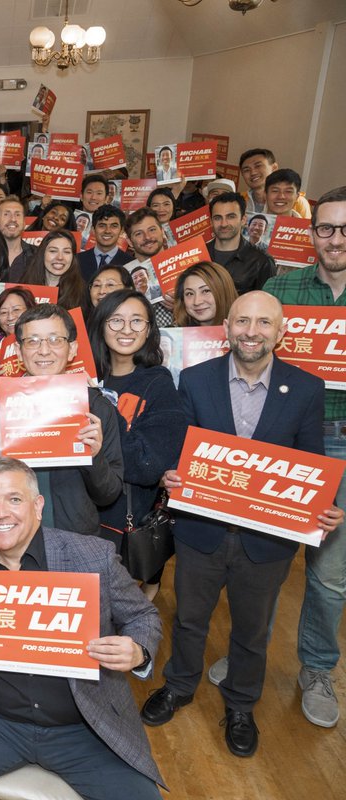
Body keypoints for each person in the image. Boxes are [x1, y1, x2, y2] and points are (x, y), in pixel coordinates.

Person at [141, 291, 341, 757]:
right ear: (227, 327)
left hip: (267, 542)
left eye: (264, 323)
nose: (252, 331)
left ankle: (241, 705)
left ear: (281, 332)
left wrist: (325, 504)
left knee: (251, 632)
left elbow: (312, 463)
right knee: (189, 620)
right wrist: (172, 472)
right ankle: (180, 686)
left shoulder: (307, 387)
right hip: (201, 532)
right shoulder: (193, 379)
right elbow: (183, 448)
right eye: (243, 322)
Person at [0, 457, 164, 800]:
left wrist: (137, 650)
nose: (1, 513)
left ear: (37, 505)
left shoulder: (91, 557)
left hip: (81, 724)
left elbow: (144, 617)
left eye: (14, 499)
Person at [260, 185, 346, 728]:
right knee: (263, 558)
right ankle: (249, 651)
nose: (335, 240)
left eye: (345, 230)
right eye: (326, 228)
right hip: (287, 433)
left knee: (330, 571)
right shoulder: (283, 286)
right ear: (311, 231)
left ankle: (316, 667)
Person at [0, 303, 124, 544]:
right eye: (33, 341)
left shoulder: (96, 408)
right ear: (18, 351)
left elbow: (109, 494)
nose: (44, 350)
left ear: (72, 349)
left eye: (54, 340)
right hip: (2, 540)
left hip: (71, 541)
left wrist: (94, 456)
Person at [88, 290, 186, 596]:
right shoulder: (79, 376)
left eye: (136, 321)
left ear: (149, 329)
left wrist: (99, 403)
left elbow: (147, 465)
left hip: (120, 526)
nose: (126, 329)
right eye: (116, 320)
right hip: (74, 518)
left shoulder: (158, 383)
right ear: (101, 325)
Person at [208, 193, 276, 294]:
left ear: (243, 220)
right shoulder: (197, 255)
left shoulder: (262, 262)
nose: (224, 224)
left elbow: (267, 304)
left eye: (231, 217)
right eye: (218, 218)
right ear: (211, 221)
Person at [20, 230, 88, 313]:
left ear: (73, 258)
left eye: (66, 252)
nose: (60, 257)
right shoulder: (25, 286)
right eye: (53, 251)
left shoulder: (82, 292)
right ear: (42, 254)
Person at [239, 148, 312, 217]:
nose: (253, 173)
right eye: (246, 170)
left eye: (258, 166)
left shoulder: (298, 203)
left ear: (274, 168)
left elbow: (305, 228)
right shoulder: (239, 200)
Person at [173, 261, 238, 327]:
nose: (197, 302)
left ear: (224, 292)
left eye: (206, 291)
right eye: (190, 294)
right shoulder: (172, 334)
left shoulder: (244, 332)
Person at [78, 205, 134, 282]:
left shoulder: (131, 263)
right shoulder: (77, 260)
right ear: (93, 230)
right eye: (102, 226)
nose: (107, 231)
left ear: (121, 230)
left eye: (114, 226)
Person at [0, 198, 36, 282]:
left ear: (24, 223)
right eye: (6, 214)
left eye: (18, 214)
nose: (13, 219)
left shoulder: (38, 255)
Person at [0, 286, 35, 350]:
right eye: (4, 312)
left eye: (16, 309)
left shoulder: (43, 346)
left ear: (31, 311)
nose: (10, 318)